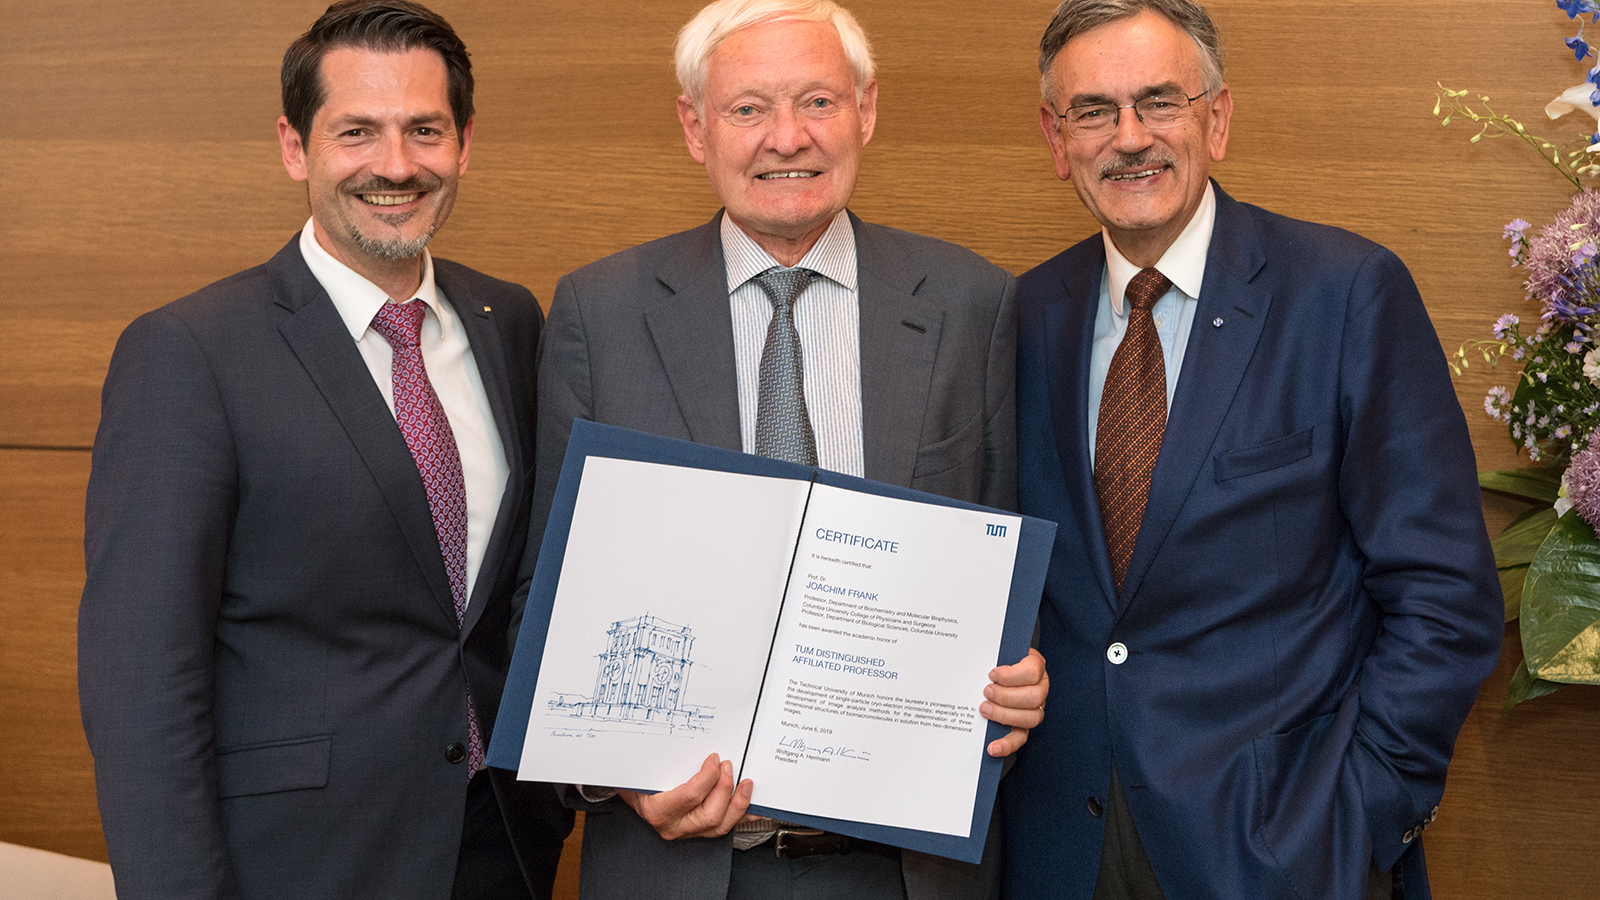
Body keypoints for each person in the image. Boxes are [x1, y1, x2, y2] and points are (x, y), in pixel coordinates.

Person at [526, 0, 1048, 896]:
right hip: (676, 864)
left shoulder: (973, 306)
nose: (786, 138)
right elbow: (548, 602)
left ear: (865, 112)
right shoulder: (597, 314)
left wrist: (1023, 674)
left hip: (903, 871)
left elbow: (1009, 569)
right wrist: (616, 771)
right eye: (747, 109)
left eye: (817, 101)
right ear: (695, 127)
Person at [1000, 2, 1503, 899]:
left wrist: (1363, 809)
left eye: (1160, 101)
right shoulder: (1022, 318)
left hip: (1285, 849)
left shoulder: (1345, 294)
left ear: (1217, 118)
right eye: (1093, 111)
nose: (1130, 138)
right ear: (1054, 136)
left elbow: (1446, 597)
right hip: (1059, 849)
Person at [78, 2, 570, 897]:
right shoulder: (190, 353)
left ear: (464, 143)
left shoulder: (511, 322)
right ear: (295, 147)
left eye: (425, 129)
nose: (395, 164)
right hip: (298, 862)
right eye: (357, 131)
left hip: (500, 847)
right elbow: (141, 685)